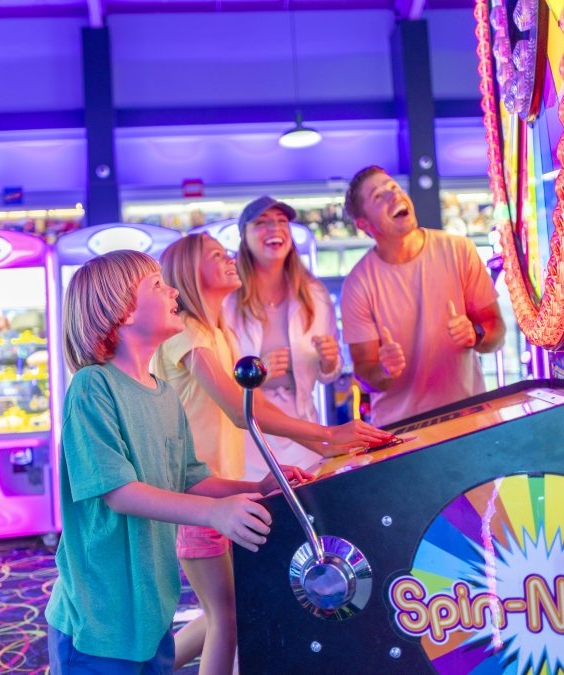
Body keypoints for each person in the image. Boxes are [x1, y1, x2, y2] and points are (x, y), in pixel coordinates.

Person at [44, 249, 309, 674]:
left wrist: (256, 489)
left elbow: (190, 478)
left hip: (150, 605)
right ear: (122, 311)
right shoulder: (92, 387)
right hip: (97, 616)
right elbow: (119, 492)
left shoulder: (164, 393)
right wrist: (214, 514)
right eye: (157, 285)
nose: (174, 291)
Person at [152, 233, 392, 673]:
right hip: (196, 493)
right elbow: (239, 410)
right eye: (216, 256)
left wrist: (320, 439)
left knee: (223, 611)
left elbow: (251, 406)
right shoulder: (188, 334)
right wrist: (324, 434)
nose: (229, 260)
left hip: (214, 488)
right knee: (228, 618)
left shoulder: (213, 332)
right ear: (189, 271)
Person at [341, 166, 506, 427]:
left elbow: (496, 330)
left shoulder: (458, 250)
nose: (393, 196)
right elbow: (363, 372)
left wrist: (476, 334)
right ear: (364, 224)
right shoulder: (357, 284)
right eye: (378, 196)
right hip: (401, 431)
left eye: (393, 187)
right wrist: (383, 370)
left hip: (469, 418)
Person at [225, 195, 344, 480]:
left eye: (281, 222)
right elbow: (212, 376)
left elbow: (328, 375)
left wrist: (330, 361)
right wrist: (254, 370)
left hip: (304, 433)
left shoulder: (314, 295)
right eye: (262, 223)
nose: (274, 229)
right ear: (244, 237)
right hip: (249, 435)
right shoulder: (227, 298)